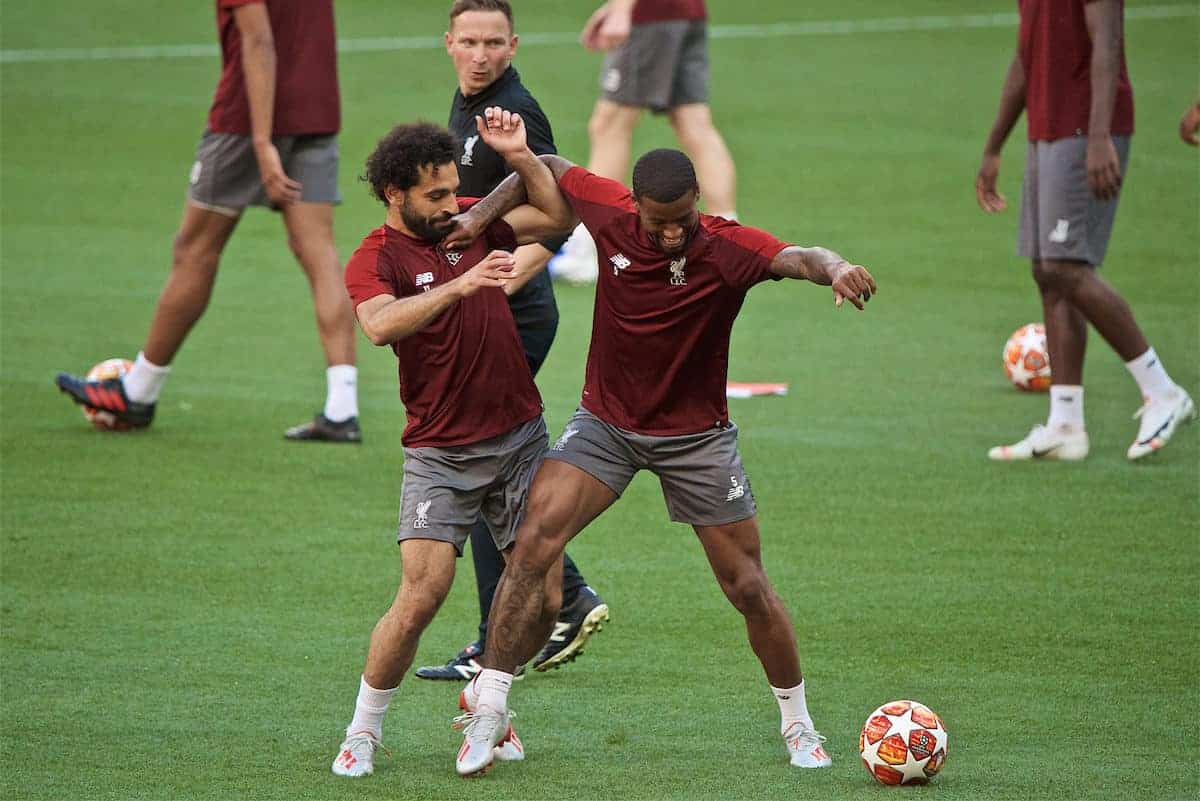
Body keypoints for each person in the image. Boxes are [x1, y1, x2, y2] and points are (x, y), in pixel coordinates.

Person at [445, 110, 877, 777]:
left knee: (747, 587)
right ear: (636, 206)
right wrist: (478, 220)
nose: (671, 232)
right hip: (606, 427)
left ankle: (797, 720)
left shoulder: (728, 247)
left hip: (696, 439)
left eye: (682, 218)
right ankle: (492, 708)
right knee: (532, 545)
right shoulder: (609, 210)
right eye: (658, 220)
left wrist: (839, 266)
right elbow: (551, 170)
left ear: (697, 202)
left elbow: (800, 256)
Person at [329, 115, 572, 778]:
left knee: (547, 599)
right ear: (393, 194)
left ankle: (486, 696)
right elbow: (378, 325)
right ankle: (363, 728)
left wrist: (519, 157)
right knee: (423, 594)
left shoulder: (471, 220)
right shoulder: (375, 257)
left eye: (452, 190)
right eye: (434, 196)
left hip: (521, 437)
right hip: (440, 451)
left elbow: (554, 211)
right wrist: (463, 283)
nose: (449, 204)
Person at [54, 0, 361, 442]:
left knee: (195, 249)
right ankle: (342, 405)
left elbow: (258, 40)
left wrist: (260, 142)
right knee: (317, 249)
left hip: (245, 118)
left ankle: (137, 392)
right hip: (316, 108)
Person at [414, 0, 609, 684]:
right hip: (488, 315)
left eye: (494, 42)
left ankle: (534, 615)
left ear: (513, 43)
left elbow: (556, 210)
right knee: (486, 466)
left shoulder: (514, 108)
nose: (481, 53)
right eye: (469, 41)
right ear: (449, 43)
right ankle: (560, 598)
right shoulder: (471, 104)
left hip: (513, 317)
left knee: (477, 464)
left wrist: (509, 276)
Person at [976, 0, 1194, 462]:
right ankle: (1066, 423)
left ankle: (1162, 391)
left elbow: (1108, 42)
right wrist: (995, 144)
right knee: (1047, 271)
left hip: (1086, 131)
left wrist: (1098, 137)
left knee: (1066, 265)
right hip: (1047, 129)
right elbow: (1024, 58)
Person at [549, 0, 737, 283]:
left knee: (609, 125)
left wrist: (624, 8)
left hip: (652, 15)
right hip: (686, 11)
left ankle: (589, 249)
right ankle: (731, 240)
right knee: (694, 124)